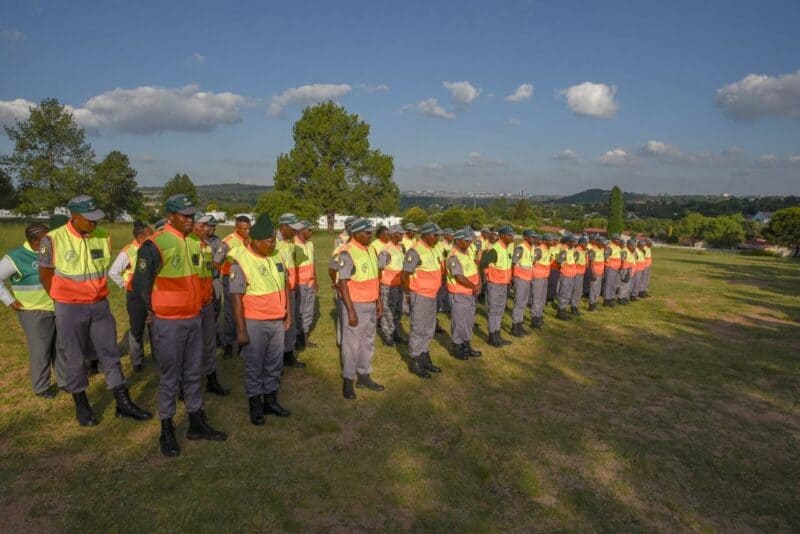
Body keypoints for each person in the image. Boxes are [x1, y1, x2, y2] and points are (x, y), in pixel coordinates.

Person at [39, 194, 151, 427]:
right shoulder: (53, 239)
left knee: (109, 352)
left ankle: (122, 402)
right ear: (74, 216)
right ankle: (82, 404)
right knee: (74, 356)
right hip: (69, 307)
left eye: (96, 218)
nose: (94, 223)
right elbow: (46, 274)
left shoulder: (103, 236)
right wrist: (60, 298)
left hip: (100, 306)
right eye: (89, 219)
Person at [132, 194, 227, 457]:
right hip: (169, 323)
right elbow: (141, 286)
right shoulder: (155, 245)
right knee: (170, 378)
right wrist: (154, 313)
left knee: (193, 372)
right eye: (184, 215)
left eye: (192, 215)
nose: (190, 220)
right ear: (171, 215)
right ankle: (166, 428)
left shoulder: (195, 243)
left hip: (194, 318)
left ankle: (196, 422)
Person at [228, 213, 293, 424]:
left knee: (274, 363)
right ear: (255, 241)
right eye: (269, 241)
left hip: (277, 320)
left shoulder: (276, 256)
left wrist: (288, 313)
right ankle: (255, 405)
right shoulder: (241, 262)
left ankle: (271, 401)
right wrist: (241, 330)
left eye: (274, 239)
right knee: (255, 364)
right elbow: (236, 298)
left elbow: (285, 285)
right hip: (254, 322)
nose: (273, 244)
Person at [0, 223, 67, 397]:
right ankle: (42, 388)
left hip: (57, 306)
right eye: (46, 239)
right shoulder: (16, 257)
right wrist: (9, 300)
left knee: (60, 347)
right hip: (34, 312)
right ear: (35, 241)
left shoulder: (52, 253)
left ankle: (65, 381)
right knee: (41, 350)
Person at [335, 218, 384, 399]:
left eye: (370, 232)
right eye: (366, 232)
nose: (370, 235)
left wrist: (378, 301)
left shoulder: (370, 249)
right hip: (355, 304)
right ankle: (348, 380)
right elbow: (343, 283)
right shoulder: (347, 253)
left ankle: (364, 375)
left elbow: (374, 278)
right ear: (355, 233)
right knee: (351, 344)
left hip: (370, 303)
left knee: (368, 341)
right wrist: (350, 310)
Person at [191, 213, 230, 396]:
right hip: (191, 302)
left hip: (207, 297)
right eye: (203, 225)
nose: (207, 229)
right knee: (192, 346)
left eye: (208, 226)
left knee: (208, 344)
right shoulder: (187, 245)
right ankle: (188, 385)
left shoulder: (207, 246)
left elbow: (212, 269)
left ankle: (211, 380)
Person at [109, 220, 154, 372]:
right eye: (150, 234)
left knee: (155, 327)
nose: (154, 237)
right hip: (135, 297)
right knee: (137, 329)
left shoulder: (152, 249)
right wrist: (126, 284)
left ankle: (159, 357)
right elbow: (113, 272)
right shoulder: (127, 252)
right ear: (141, 236)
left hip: (153, 294)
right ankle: (137, 361)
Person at [402, 222, 443, 378]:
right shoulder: (415, 251)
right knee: (418, 328)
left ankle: (425, 356)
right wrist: (407, 295)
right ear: (426, 235)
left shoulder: (431, 249)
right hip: (419, 295)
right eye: (435, 235)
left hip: (432, 294)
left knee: (429, 328)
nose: (437, 237)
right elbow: (405, 275)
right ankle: (415, 360)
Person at [215, 215, 251, 359]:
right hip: (231, 279)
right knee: (231, 311)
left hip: (248, 278)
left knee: (246, 310)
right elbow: (217, 261)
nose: (247, 231)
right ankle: (228, 344)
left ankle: (243, 344)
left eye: (249, 228)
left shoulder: (252, 240)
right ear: (236, 227)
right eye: (244, 229)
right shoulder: (227, 241)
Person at [446, 228, 482, 360]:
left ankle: (466, 345)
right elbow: (459, 276)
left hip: (470, 293)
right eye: (466, 241)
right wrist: (474, 286)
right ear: (458, 240)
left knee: (468, 321)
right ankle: (457, 347)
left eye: (470, 241)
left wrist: (479, 283)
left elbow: (474, 269)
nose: (469, 243)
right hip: (459, 294)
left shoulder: (466, 252)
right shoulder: (454, 256)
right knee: (459, 322)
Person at [276, 213, 307, 368]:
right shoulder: (272, 243)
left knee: (291, 324)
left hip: (291, 289)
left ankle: (288, 354)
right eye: (293, 229)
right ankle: (277, 359)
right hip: (278, 293)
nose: (296, 232)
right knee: (280, 326)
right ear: (283, 226)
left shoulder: (289, 242)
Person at [480, 225, 515, 346]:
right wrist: (487, 276)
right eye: (509, 235)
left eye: (512, 235)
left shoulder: (505, 248)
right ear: (501, 236)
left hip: (504, 284)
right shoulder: (496, 249)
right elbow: (483, 263)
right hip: (494, 284)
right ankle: (492, 336)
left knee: (500, 310)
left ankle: (497, 334)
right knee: (494, 310)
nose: (512, 237)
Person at [377, 225, 405, 346]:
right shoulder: (386, 250)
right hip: (388, 286)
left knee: (398, 310)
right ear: (394, 235)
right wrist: (378, 286)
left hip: (399, 285)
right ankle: (387, 334)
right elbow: (379, 268)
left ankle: (395, 332)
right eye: (400, 233)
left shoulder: (399, 248)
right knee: (388, 310)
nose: (403, 235)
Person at [292, 220, 318, 350]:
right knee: (298, 311)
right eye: (309, 230)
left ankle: (305, 337)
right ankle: (296, 338)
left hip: (310, 282)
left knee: (309, 311)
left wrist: (316, 280)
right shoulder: (293, 244)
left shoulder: (310, 244)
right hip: (299, 283)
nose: (311, 232)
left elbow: (313, 263)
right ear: (302, 231)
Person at [204, 216, 224, 342]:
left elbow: (220, 255)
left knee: (216, 306)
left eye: (214, 226)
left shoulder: (218, 241)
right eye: (210, 226)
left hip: (215, 279)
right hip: (202, 279)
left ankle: (214, 332)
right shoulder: (197, 240)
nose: (213, 228)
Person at [529, 233, 551, 329]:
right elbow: (532, 262)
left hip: (544, 277)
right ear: (545, 241)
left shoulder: (546, 250)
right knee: (537, 299)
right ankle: (534, 319)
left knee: (542, 299)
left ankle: (539, 316)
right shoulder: (539, 250)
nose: (552, 242)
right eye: (550, 240)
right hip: (537, 277)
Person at [555, 235, 577, 320]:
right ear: (568, 242)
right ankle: (560, 312)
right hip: (565, 275)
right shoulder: (564, 251)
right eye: (572, 241)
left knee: (568, 294)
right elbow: (559, 262)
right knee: (563, 294)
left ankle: (563, 310)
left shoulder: (571, 250)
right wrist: (563, 270)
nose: (574, 243)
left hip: (571, 275)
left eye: (574, 241)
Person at [586, 236, 606, 311]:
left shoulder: (602, 249)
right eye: (601, 243)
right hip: (595, 272)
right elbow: (591, 263)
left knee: (597, 289)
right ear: (597, 242)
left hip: (600, 273)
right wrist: (593, 273)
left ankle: (595, 304)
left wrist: (603, 271)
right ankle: (591, 305)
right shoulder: (593, 250)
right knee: (593, 289)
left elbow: (602, 262)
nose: (603, 245)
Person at [603, 234, 623, 307]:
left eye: (619, 239)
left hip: (616, 268)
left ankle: (611, 298)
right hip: (610, 268)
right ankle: (606, 299)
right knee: (609, 284)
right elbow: (605, 257)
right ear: (613, 239)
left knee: (614, 284)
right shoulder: (609, 247)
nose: (618, 241)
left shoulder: (618, 247)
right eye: (617, 239)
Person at [570, 236, 588, 315]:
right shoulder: (577, 251)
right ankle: (574, 307)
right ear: (580, 244)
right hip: (577, 273)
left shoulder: (584, 251)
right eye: (585, 243)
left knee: (579, 291)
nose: (586, 244)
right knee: (576, 290)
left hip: (581, 273)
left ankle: (575, 305)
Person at [617, 238, 637, 304]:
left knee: (628, 284)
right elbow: (623, 261)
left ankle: (625, 297)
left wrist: (633, 251)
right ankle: (621, 298)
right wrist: (623, 271)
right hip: (624, 269)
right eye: (632, 245)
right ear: (628, 245)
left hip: (630, 269)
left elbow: (635, 258)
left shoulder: (632, 251)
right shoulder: (624, 251)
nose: (633, 247)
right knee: (624, 284)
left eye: (634, 245)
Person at [546, 234, 561, 305]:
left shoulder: (559, 248)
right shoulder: (550, 248)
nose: (556, 242)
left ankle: (552, 297)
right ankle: (547, 298)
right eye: (554, 240)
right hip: (551, 267)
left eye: (557, 240)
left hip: (557, 268)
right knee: (550, 283)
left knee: (555, 284)